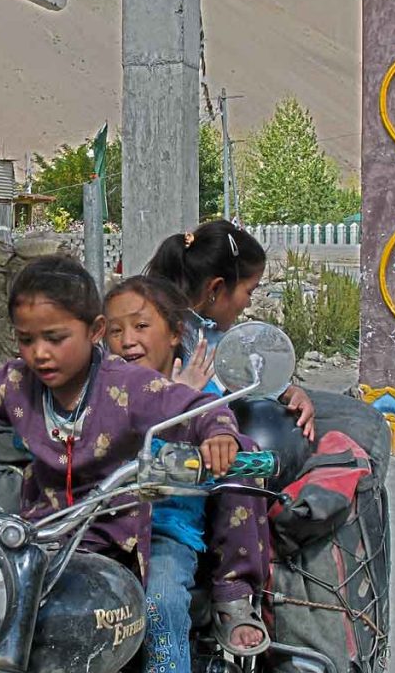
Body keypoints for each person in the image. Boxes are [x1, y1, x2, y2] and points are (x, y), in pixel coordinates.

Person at [0, 255, 245, 603]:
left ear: (95, 330)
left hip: (115, 544)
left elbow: (195, 407)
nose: (39, 353)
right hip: (39, 536)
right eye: (26, 339)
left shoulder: (128, 386)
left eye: (55, 338)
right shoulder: (17, 382)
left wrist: (219, 436)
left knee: (159, 608)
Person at [105, 276, 272, 668]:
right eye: (115, 331)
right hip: (100, 529)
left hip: (164, 535)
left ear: (175, 332)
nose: (128, 340)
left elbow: (222, 432)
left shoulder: (202, 399)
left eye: (141, 327)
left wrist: (179, 403)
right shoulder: (99, 393)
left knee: (160, 604)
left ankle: (232, 591)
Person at [146, 219, 316, 440]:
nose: (248, 303)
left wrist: (289, 392)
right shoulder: (164, 342)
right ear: (216, 288)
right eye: (249, 291)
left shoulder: (214, 336)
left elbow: (245, 375)